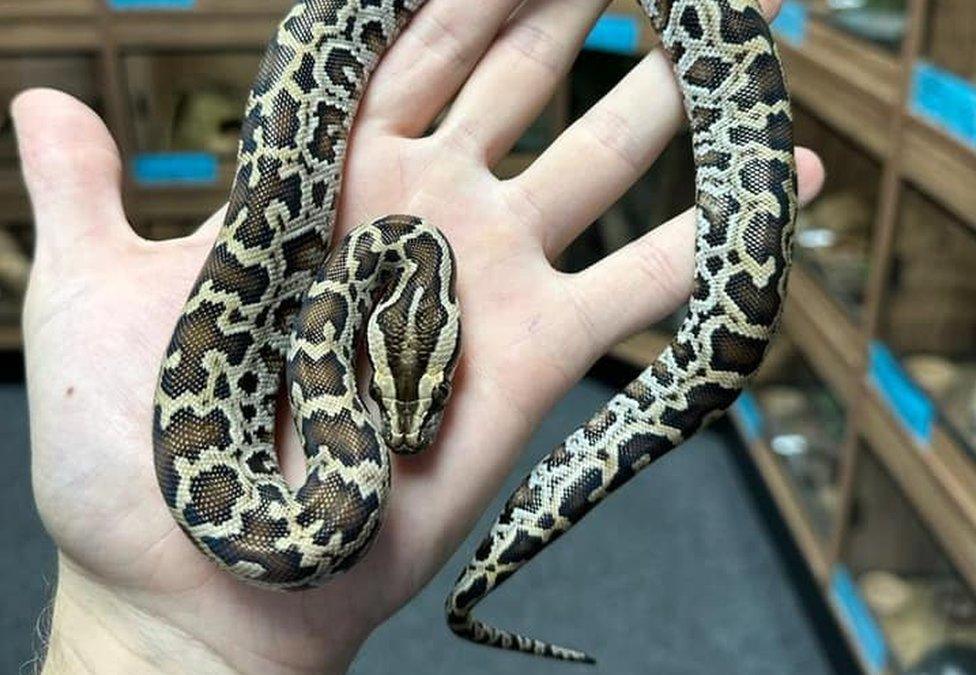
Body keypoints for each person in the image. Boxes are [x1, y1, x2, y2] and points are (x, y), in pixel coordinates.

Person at [14, 0, 824, 672]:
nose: (408, 432)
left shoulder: (355, 301)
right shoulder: (341, 328)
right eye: (416, 393)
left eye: (429, 391)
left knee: (727, 322)